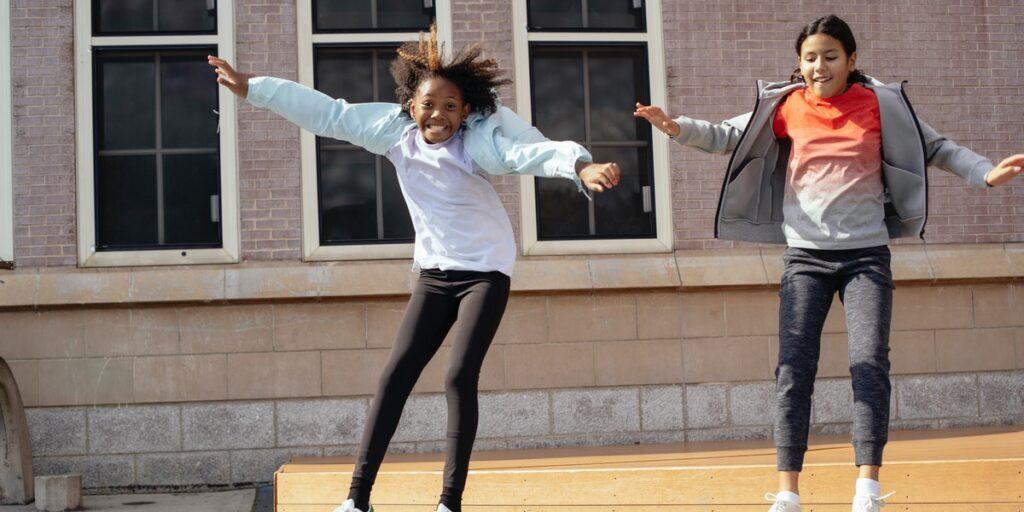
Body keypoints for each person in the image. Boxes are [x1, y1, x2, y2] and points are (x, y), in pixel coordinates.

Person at [209, 25, 620, 512]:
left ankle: (449, 501)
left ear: (465, 112)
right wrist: (253, 88)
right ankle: (357, 499)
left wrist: (579, 166)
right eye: (429, 104)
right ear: (411, 107)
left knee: (458, 376)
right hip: (434, 273)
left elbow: (529, 151)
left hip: (485, 271)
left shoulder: (480, 144)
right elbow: (328, 113)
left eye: (450, 107)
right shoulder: (394, 135)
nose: (438, 116)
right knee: (394, 378)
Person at [634, 14, 1022, 512]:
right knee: (793, 371)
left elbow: (937, 147)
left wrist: (986, 173)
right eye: (810, 57)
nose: (820, 66)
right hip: (805, 259)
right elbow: (729, 134)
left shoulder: (882, 104)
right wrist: (675, 127)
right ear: (799, 64)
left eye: (831, 56)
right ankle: (789, 492)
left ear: (852, 60)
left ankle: (867, 489)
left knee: (869, 365)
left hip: (866, 258)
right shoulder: (786, 105)